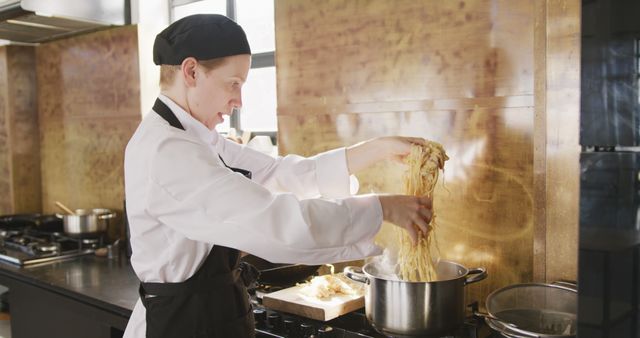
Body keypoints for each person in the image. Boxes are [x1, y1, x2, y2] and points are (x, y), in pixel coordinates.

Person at [123, 14, 434, 338]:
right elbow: (276, 224)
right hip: (184, 325)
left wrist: (376, 149)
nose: (238, 101)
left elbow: (277, 172)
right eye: (234, 84)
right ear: (191, 72)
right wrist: (382, 209)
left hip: (212, 315)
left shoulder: (194, 137)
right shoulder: (168, 151)